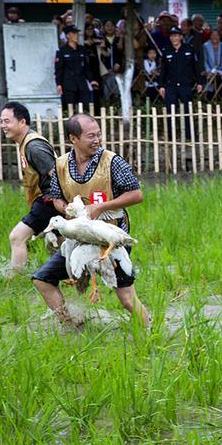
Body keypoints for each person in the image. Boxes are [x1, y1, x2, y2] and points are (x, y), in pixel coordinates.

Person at [32, 114, 149, 327]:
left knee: (126, 298)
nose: (97, 140)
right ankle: (71, 326)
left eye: (99, 135)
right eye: (90, 136)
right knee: (42, 279)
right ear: (73, 139)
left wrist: (100, 207)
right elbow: (56, 197)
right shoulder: (61, 165)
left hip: (110, 240)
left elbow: (136, 194)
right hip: (78, 241)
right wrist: (66, 209)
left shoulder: (112, 162)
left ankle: (150, 331)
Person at [1, 102, 60, 270]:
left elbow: (57, 176)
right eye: (2, 121)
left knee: (17, 237)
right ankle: (68, 276)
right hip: (49, 201)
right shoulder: (26, 143)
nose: (3, 126)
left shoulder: (34, 147)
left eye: (7, 121)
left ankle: (16, 278)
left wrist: (60, 204)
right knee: (59, 244)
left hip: (49, 201)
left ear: (22, 122)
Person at [158, 26, 204, 108]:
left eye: (176, 36)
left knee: (187, 111)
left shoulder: (189, 49)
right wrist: (161, 86)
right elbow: (163, 70)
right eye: (171, 36)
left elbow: (196, 67)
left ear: (181, 37)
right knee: (171, 112)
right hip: (171, 85)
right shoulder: (166, 51)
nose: (173, 38)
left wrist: (199, 82)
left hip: (186, 84)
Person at [54, 26, 98, 109]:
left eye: (77, 33)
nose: (76, 35)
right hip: (68, 85)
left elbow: (86, 67)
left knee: (87, 107)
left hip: (81, 83)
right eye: (74, 33)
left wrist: (91, 80)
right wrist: (58, 84)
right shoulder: (62, 51)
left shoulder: (81, 49)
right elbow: (59, 69)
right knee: (69, 109)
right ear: (68, 35)